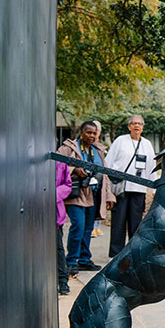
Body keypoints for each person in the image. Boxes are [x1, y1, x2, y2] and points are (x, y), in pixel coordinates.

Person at [58, 121, 115, 275]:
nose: (91, 136)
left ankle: (84, 259)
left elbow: (104, 173)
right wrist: (75, 169)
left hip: (94, 193)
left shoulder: (98, 150)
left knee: (88, 228)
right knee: (78, 225)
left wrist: (109, 195)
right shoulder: (68, 148)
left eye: (94, 133)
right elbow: (58, 167)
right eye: (88, 132)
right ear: (81, 132)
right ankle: (71, 261)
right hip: (77, 193)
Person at [106, 115, 157, 257]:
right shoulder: (120, 141)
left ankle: (133, 254)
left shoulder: (147, 144)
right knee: (118, 223)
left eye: (140, 124)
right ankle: (115, 255)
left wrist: (153, 189)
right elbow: (108, 163)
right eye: (134, 123)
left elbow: (151, 166)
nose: (137, 126)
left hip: (138, 189)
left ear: (143, 127)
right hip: (121, 188)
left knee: (136, 224)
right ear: (129, 126)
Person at [56, 161, 73, 295]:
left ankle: (63, 281)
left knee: (58, 248)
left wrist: (54, 193)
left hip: (55, 214)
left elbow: (68, 185)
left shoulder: (60, 163)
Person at [91, 121, 105, 238]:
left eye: (96, 132)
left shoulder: (100, 147)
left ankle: (96, 227)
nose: (93, 135)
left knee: (99, 206)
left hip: (99, 185)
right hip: (86, 186)